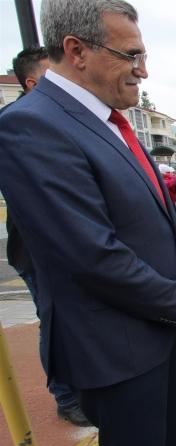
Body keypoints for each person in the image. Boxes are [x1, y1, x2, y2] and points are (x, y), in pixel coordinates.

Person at [0, 1, 176, 446]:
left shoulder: (109, 121)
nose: (143, 70)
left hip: (157, 323)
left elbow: (159, 215)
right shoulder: (30, 128)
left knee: (166, 435)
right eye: (131, 55)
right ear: (76, 52)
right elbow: (91, 255)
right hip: (112, 344)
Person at [5, 46, 91, 426]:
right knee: (54, 321)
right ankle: (66, 396)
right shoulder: (17, 124)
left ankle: (82, 389)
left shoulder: (58, 120)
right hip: (39, 253)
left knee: (76, 320)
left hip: (68, 252)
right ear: (32, 83)